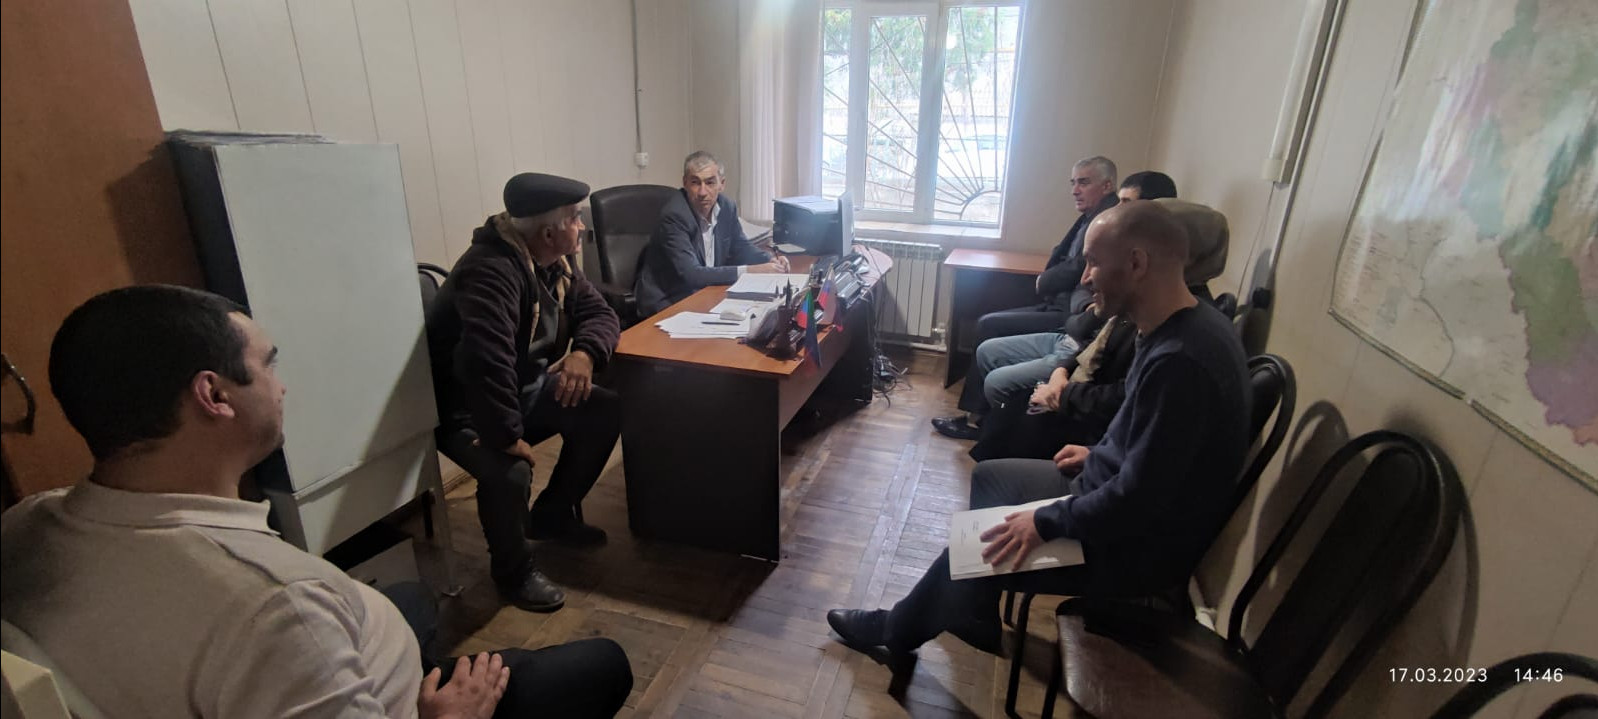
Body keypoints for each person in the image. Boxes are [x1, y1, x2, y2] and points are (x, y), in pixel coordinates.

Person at [1, 285, 633, 718]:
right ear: (214, 396)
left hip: (331, 654)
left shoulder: (27, 523)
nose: (281, 388)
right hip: (412, 701)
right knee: (603, 664)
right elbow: (286, 629)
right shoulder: (278, 610)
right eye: (268, 366)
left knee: (409, 600)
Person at [826, 201, 1251, 658]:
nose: (1084, 278)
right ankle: (975, 612)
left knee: (974, 545)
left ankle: (895, 633)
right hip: (1111, 491)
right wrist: (1099, 453)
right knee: (992, 475)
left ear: (1136, 263)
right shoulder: (1178, 326)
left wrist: (1046, 522)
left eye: (1093, 262)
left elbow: (1137, 501)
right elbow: (1153, 443)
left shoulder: (1181, 363)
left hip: (1133, 545)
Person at [427, 172, 622, 612]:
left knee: (603, 409)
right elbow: (485, 361)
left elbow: (601, 314)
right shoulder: (490, 271)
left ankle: (551, 515)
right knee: (509, 471)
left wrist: (585, 353)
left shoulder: (558, 262)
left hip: (518, 390)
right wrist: (504, 435)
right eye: (575, 218)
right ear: (549, 233)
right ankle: (513, 571)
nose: (582, 226)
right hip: (466, 408)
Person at [931, 156, 1120, 439]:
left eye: (1083, 182)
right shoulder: (1090, 216)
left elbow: (1076, 270)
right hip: (1061, 306)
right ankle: (980, 415)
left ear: (1107, 186)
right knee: (989, 323)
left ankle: (976, 418)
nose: (1075, 190)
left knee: (989, 324)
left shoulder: (1106, 223)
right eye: (1073, 183)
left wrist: (1044, 280)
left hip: (1068, 315)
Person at [633, 151, 789, 316]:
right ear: (685, 183)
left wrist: (769, 260)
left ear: (722, 184)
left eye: (710, 183)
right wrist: (752, 271)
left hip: (705, 292)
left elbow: (740, 247)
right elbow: (692, 274)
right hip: (668, 299)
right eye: (695, 183)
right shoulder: (674, 216)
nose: (702, 192)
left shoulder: (726, 207)